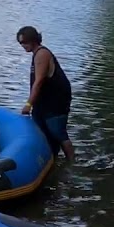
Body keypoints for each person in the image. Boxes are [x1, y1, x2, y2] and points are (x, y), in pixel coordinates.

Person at [18, 26, 75, 161]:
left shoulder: (42, 54)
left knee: (58, 133)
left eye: (24, 42)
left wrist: (28, 104)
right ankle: (52, 160)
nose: (22, 46)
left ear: (33, 40)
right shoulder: (36, 54)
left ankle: (72, 160)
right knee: (44, 133)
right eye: (20, 43)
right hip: (42, 102)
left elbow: (39, 82)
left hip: (55, 103)